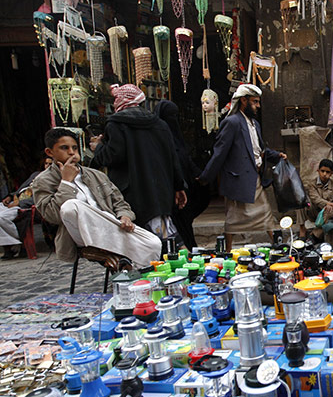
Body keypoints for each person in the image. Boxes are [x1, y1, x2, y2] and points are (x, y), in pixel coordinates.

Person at [32, 128, 162, 269]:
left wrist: (125, 216)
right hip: (79, 236)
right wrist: (66, 183)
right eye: (64, 148)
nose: (71, 152)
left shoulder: (96, 175)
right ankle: (101, 250)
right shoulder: (42, 181)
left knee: (153, 243)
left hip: (110, 225)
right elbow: (52, 216)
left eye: (74, 148)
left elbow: (119, 202)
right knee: (71, 206)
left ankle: (132, 274)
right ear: (49, 152)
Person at [89, 84, 187, 242]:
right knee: (163, 239)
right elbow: (172, 157)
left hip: (131, 193)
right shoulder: (159, 124)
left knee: (136, 239)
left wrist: (98, 147)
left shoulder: (116, 125)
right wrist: (178, 186)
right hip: (160, 192)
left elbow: (113, 156)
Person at [198, 84, 287, 252]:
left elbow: (258, 149)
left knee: (266, 213)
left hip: (255, 177)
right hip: (237, 179)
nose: (258, 106)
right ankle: (228, 252)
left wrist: (276, 155)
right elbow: (220, 152)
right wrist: (205, 177)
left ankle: (279, 245)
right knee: (233, 219)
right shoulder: (232, 122)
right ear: (243, 101)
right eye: (255, 102)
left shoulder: (255, 124)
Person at [155, 100, 210, 250]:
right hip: (172, 189)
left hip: (183, 187)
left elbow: (185, 158)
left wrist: (198, 175)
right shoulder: (159, 136)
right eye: (170, 115)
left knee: (185, 222)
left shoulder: (174, 136)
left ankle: (190, 249)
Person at [304, 159, 333, 241]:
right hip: (314, 211)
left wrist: (330, 206)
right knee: (302, 204)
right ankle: (302, 232)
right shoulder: (312, 184)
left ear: (331, 173)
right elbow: (316, 199)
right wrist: (329, 204)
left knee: (330, 210)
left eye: (327, 172)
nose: (324, 174)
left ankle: (315, 235)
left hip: (327, 213)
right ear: (318, 171)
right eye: (322, 171)